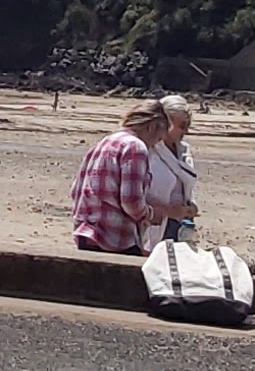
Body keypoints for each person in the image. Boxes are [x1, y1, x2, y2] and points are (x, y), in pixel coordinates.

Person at [71, 102, 177, 253]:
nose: (154, 145)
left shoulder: (104, 142)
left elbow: (76, 190)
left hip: (87, 232)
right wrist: (151, 215)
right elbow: (131, 201)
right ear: (152, 127)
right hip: (116, 238)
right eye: (158, 139)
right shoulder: (135, 147)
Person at [151, 95, 200, 242]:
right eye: (182, 126)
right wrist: (168, 210)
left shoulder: (183, 150)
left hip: (181, 221)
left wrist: (192, 205)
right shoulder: (150, 150)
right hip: (156, 220)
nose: (186, 131)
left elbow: (185, 185)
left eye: (188, 125)